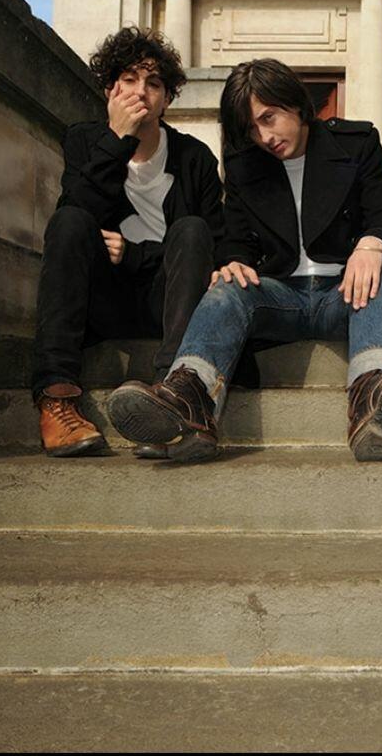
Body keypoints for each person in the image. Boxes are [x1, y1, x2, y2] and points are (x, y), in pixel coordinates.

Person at [106, 58, 382, 463]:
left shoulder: (356, 142)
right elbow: (236, 237)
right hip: (280, 294)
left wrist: (371, 243)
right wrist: (233, 261)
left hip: (345, 291)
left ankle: (372, 398)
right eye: (252, 128)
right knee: (227, 285)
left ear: (297, 105)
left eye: (268, 118)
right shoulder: (245, 164)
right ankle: (188, 399)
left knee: (379, 265)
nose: (264, 136)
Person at [32, 26, 224, 458]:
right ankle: (56, 398)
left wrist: (134, 253)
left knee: (191, 228)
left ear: (167, 97)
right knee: (69, 220)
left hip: (170, 300)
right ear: (110, 90)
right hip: (104, 298)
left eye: (153, 83)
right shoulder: (84, 140)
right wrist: (118, 141)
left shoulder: (195, 158)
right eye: (130, 80)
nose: (141, 92)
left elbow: (209, 246)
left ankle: (172, 393)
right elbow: (73, 219)